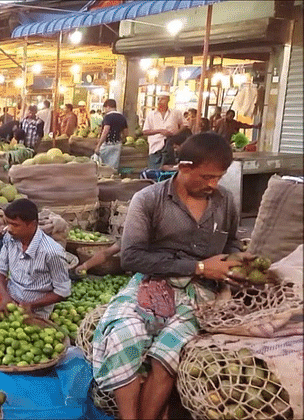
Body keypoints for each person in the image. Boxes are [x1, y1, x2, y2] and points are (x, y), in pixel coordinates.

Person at [91, 132, 245, 420]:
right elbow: (132, 256)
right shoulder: (149, 199)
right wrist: (198, 267)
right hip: (152, 283)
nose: (213, 184)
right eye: (206, 177)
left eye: (218, 178)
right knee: (125, 336)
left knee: (168, 354)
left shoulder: (225, 202)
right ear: (184, 167)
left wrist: (235, 261)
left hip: (200, 295)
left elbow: (232, 243)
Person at [0, 199, 71, 318]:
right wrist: (5, 297)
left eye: (15, 225)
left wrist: (31, 305)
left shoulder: (52, 252)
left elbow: (62, 291)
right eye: (7, 223)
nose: (9, 229)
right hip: (9, 298)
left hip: (35, 309)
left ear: (32, 224)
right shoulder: (10, 238)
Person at [142, 92, 184, 170]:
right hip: (156, 148)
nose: (160, 101)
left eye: (162, 99)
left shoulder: (175, 113)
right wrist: (160, 131)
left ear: (168, 100)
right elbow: (145, 131)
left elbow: (184, 125)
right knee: (154, 171)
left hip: (170, 147)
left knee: (170, 170)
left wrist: (175, 134)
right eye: (159, 99)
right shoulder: (151, 115)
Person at [95, 99, 128, 169]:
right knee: (113, 166)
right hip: (117, 145)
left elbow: (106, 131)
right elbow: (126, 132)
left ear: (108, 107)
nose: (105, 110)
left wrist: (98, 145)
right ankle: (112, 178)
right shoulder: (122, 117)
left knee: (102, 165)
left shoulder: (108, 117)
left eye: (105, 108)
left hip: (107, 144)